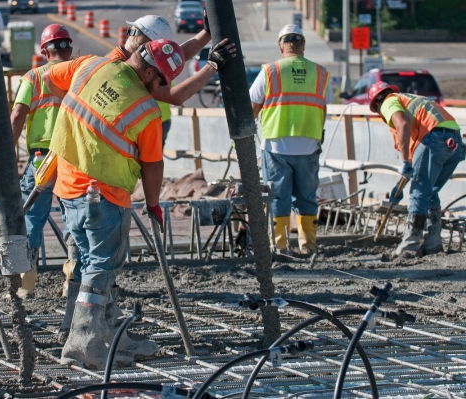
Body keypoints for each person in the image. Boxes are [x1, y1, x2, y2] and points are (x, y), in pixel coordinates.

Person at [43, 39, 192, 369]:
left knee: (91, 264)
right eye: (162, 81)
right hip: (104, 196)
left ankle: (108, 334)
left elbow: (48, 78)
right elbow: (153, 165)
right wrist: (153, 204)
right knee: (100, 267)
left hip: (68, 188)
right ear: (150, 72)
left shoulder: (90, 65)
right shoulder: (145, 110)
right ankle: (85, 343)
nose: (161, 88)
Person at [250, 24, 332, 259]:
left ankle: (280, 246)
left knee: (277, 196)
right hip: (309, 143)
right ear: (303, 46)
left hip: (276, 144)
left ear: (280, 45)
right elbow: (323, 108)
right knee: (306, 196)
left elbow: (253, 107)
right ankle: (308, 246)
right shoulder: (320, 73)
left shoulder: (270, 71)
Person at [10, 24, 73, 300]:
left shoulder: (33, 77)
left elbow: (17, 118)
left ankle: (26, 283)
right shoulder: (78, 76)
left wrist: (6, 161)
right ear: (68, 48)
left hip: (42, 160)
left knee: (32, 219)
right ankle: (74, 280)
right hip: (73, 159)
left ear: (44, 52)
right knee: (74, 218)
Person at [368, 81, 465, 256]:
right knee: (430, 191)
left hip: (434, 139)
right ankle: (433, 243)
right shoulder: (413, 100)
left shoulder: (389, 101)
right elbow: (417, 156)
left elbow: (402, 124)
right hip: (455, 144)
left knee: (419, 192)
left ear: (376, 104)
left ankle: (410, 246)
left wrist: (404, 161)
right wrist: (400, 187)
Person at [107, 14, 236, 106]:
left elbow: (176, 57)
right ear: (148, 46)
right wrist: (212, 65)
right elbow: (175, 96)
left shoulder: (124, 58)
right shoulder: (128, 70)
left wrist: (207, 33)